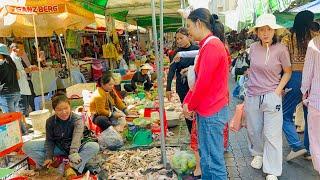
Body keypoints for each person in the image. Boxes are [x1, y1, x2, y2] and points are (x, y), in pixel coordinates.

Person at [182, 8, 230, 179]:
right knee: (208, 159)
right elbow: (199, 81)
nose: (188, 30)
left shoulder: (212, 46)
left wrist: (190, 105)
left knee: (213, 161)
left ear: (199, 23)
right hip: (209, 110)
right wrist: (189, 102)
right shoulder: (208, 45)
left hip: (212, 111)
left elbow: (202, 83)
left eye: (189, 26)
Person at [245, 14, 292, 180]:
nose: (265, 33)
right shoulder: (252, 48)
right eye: (262, 30)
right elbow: (252, 68)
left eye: (269, 29)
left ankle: (272, 169)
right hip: (252, 95)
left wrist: (277, 91)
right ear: (257, 32)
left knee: (272, 133)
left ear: (274, 31)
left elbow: (287, 72)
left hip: (272, 95)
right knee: (253, 129)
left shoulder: (281, 49)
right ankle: (257, 154)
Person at [23, 92, 100, 174]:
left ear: (70, 107)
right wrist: (48, 156)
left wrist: (73, 153)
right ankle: (50, 167)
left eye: (66, 108)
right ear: (54, 110)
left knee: (94, 146)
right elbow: (49, 141)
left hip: (77, 147)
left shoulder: (77, 120)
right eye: (59, 110)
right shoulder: (50, 121)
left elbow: (76, 139)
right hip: (60, 146)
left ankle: (72, 167)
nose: (63, 112)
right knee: (27, 147)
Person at [281, 10, 320, 161]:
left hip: (295, 77)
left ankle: (297, 145)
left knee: (284, 114)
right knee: (309, 115)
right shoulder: (315, 38)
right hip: (314, 80)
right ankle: (310, 150)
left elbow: (283, 62)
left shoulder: (287, 38)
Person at [166, 27, 199, 134]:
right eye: (177, 39)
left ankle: (199, 133)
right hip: (182, 85)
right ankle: (192, 134)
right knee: (187, 110)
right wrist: (168, 88)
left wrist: (190, 69)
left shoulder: (197, 49)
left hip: (196, 84)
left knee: (197, 110)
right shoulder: (175, 53)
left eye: (181, 38)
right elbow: (171, 70)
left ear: (189, 37)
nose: (178, 41)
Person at [301, 36, 320, 174]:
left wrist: (304, 90)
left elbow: (308, 70)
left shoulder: (315, 42)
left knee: (316, 137)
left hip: (316, 98)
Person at [10, 43, 32, 116]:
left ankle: (23, 125)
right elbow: (15, 75)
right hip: (20, 90)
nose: (23, 51)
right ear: (14, 49)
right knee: (22, 111)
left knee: (24, 109)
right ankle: (22, 126)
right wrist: (26, 70)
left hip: (24, 88)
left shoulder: (18, 59)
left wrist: (28, 70)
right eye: (21, 49)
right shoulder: (12, 60)